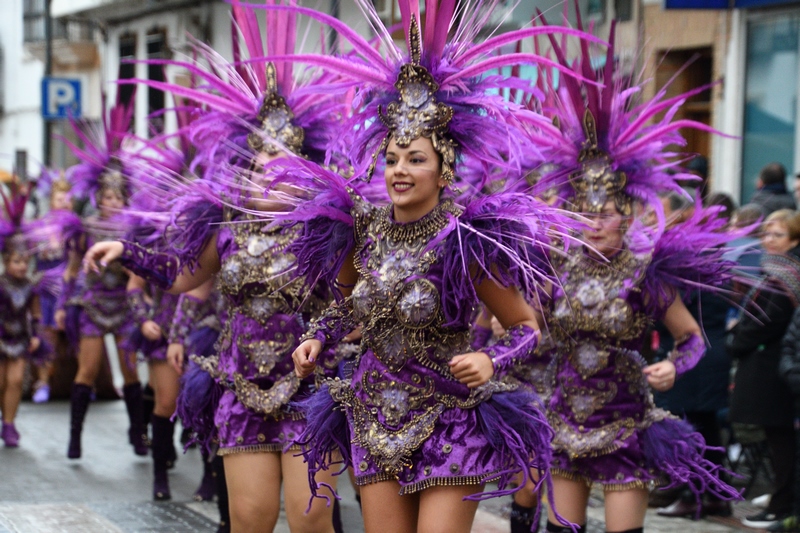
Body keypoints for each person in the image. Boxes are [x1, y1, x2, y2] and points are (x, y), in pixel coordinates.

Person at [258, 3, 597, 531]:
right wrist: (317, 339)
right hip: (373, 415)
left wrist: (489, 360)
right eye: (393, 158)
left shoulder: (466, 238)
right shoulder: (363, 229)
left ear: (444, 169)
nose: (400, 170)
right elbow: (351, 307)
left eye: (416, 159)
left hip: (450, 418)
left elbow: (526, 327)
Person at [82, 4, 351, 531]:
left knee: (311, 521)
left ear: (307, 173)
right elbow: (183, 275)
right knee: (249, 520)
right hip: (241, 384)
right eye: (261, 165)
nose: (271, 175)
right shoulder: (226, 225)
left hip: (310, 385)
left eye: (285, 166)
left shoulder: (328, 230)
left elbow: (356, 300)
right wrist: (125, 251)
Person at [511, 13, 743, 532]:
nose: (594, 224)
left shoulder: (644, 273)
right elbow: (528, 329)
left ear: (628, 215)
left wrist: (673, 368)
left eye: (605, 214)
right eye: (584, 213)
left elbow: (692, 340)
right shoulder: (557, 267)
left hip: (625, 424)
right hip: (563, 421)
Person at [54, 96, 147, 460]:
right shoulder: (85, 227)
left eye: (118, 197)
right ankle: (74, 437)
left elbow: (142, 270)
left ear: (126, 199)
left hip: (124, 304)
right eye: (107, 196)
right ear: (98, 198)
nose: (112, 202)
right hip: (93, 304)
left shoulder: (134, 230)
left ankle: (138, 434)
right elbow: (71, 268)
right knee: (88, 370)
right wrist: (63, 305)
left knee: (130, 371)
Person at [728, 209, 800, 529]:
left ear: (794, 240)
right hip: (767, 363)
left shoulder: (786, 275)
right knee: (776, 438)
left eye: (778, 235)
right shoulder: (772, 270)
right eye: (767, 233)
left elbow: (766, 321)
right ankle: (781, 499)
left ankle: (783, 505)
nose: (769, 240)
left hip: (774, 369)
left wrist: (736, 341)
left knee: (781, 439)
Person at [0, 180, 47, 447]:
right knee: (1, 382)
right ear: (6, 261)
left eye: (25, 262)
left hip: (20, 338)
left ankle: (9, 424)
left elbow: (35, 312)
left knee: (16, 380)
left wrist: (37, 335)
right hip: (0, 336)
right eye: (16, 261)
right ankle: (3, 415)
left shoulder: (31, 286)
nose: (21, 266)